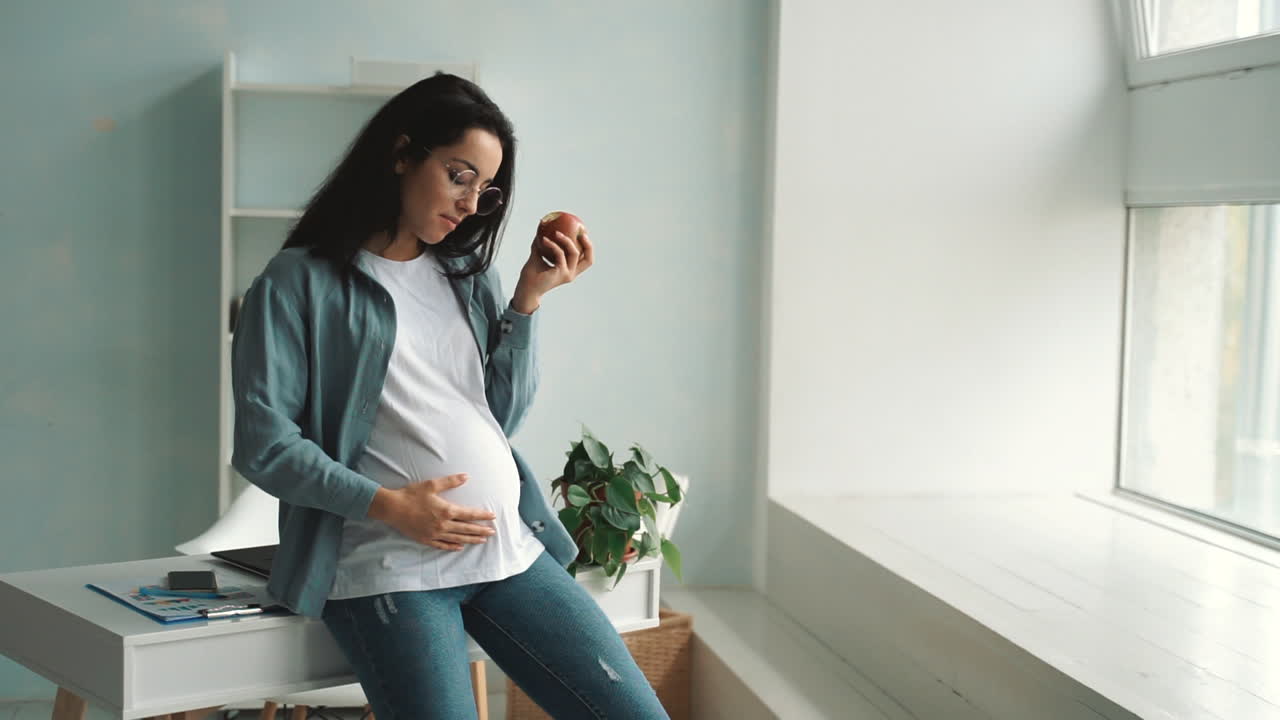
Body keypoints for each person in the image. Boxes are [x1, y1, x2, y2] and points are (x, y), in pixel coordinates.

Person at [230, 73, 670, 719]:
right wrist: (387, 505)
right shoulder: (298, 282)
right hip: (387, 570)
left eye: (485, 191)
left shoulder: (464, 275)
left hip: (508, 552)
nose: (470, 204)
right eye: (459, 176)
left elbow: (499, 416)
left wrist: (527, 300)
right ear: (402, 153)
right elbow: (265, 444)